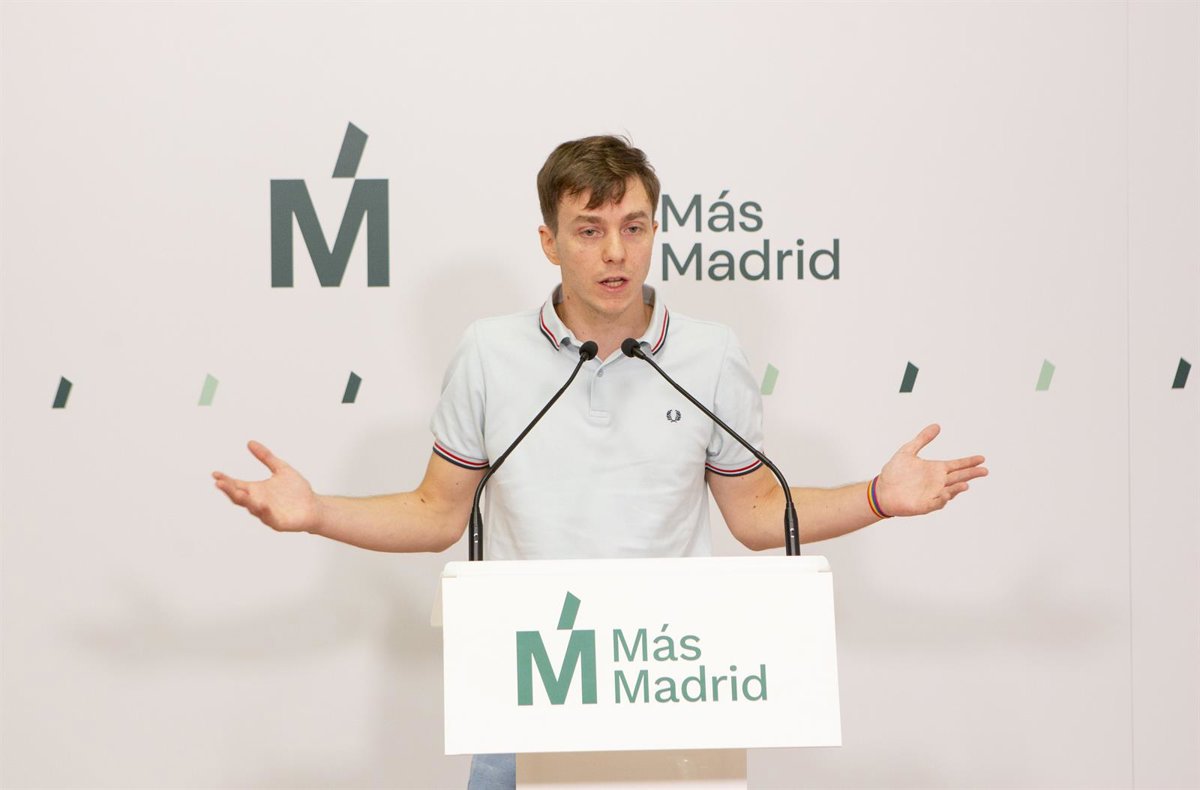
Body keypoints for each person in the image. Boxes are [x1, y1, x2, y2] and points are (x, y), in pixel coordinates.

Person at [213, 135, 987, 788]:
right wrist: (316, 513)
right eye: (589, 230)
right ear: (549, 242)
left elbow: (757, 514)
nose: (616, 252)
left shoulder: (710, 355)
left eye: (634, 227)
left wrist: (877, 497)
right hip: (528, 700)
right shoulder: (489, 354)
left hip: (672, 697)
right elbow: (438, 512)